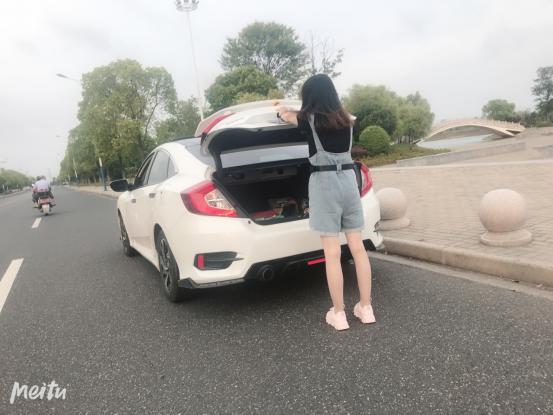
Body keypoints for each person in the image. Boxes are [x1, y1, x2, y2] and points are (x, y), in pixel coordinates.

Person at [275, 74, 375, 331]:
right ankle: (366, 308)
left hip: (324, 184)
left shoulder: (307, 120)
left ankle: (339, 314)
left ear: (309, 97)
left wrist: (281, 108)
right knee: (358, 249)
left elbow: (284, 115)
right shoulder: (348, 120)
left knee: (332, 253)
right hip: (349, 183)